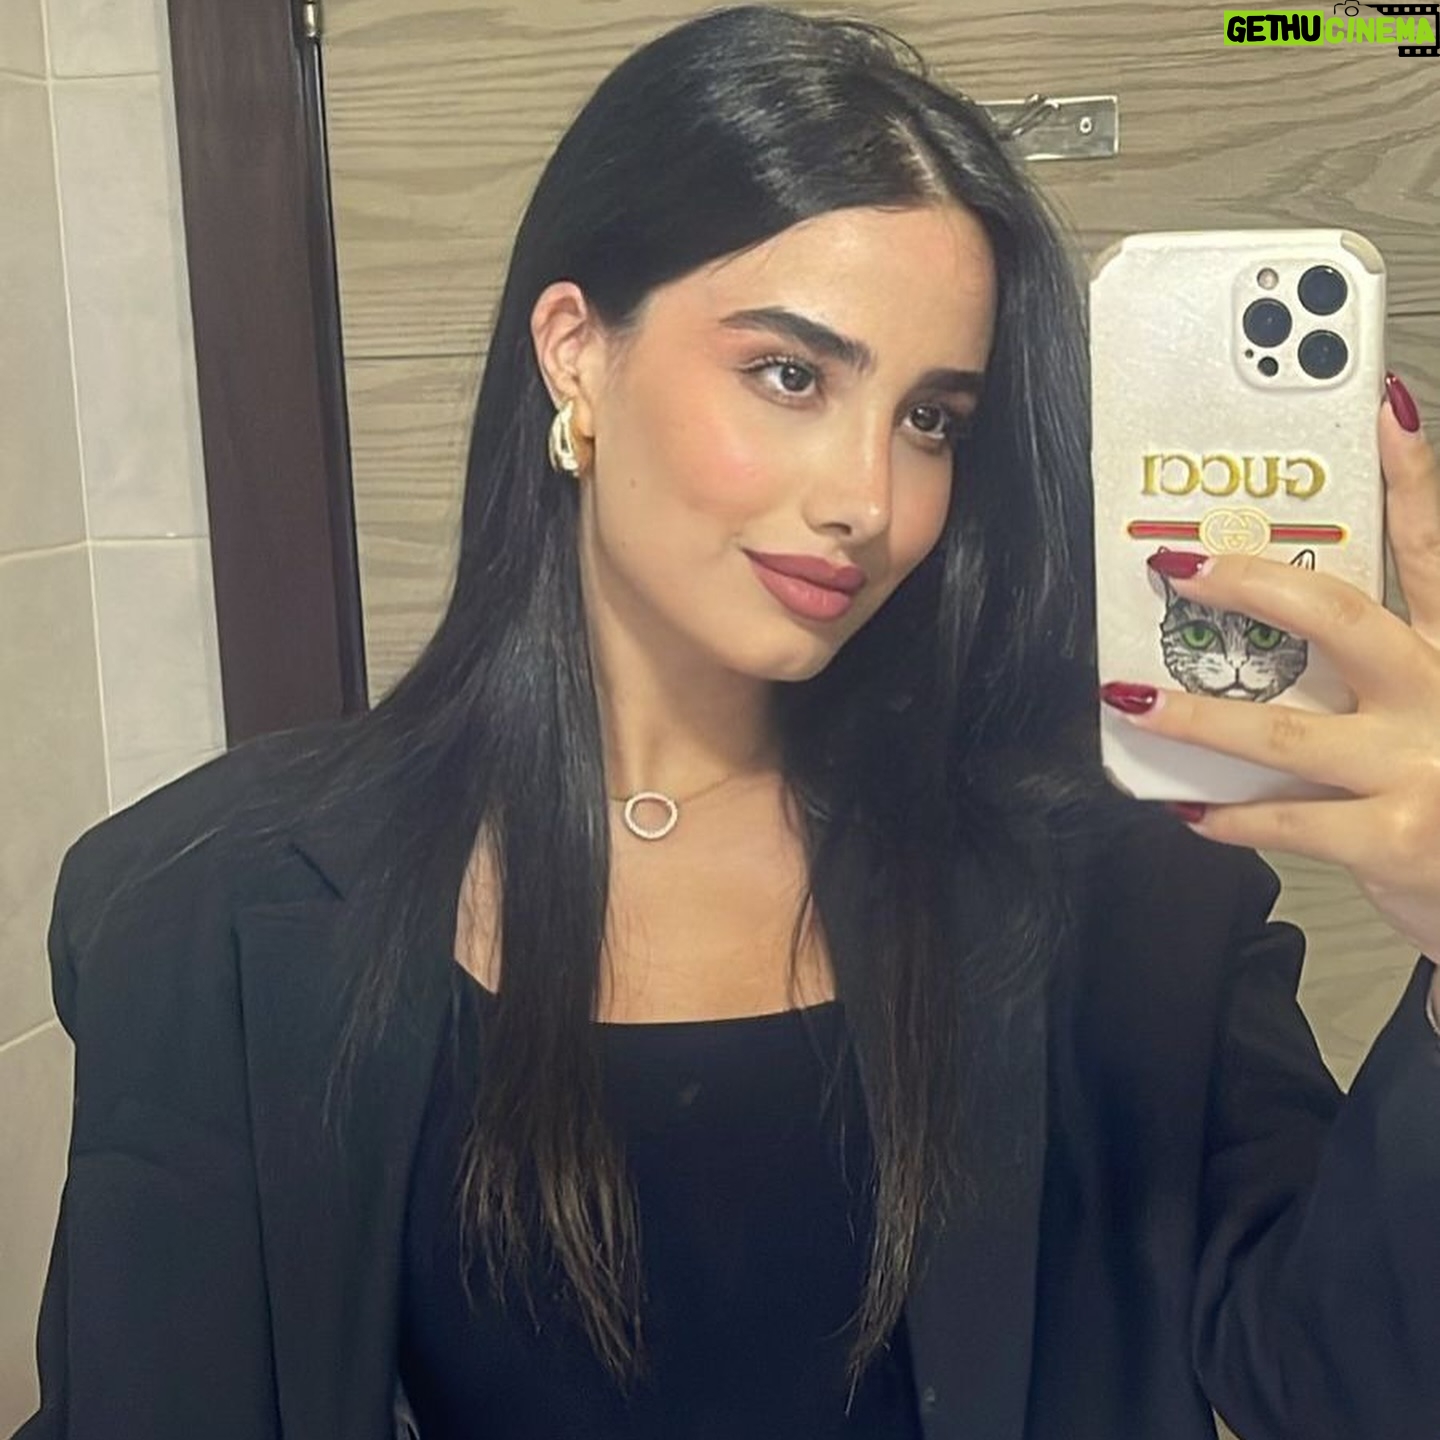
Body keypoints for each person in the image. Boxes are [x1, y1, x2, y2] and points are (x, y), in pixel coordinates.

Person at [14, 6, 1440, 1438]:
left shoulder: (1118, 893)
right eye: (791, 374)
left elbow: (1345, 1386)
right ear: (577, 353)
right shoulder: (212, 910)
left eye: (932, 419)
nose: (869, 499)